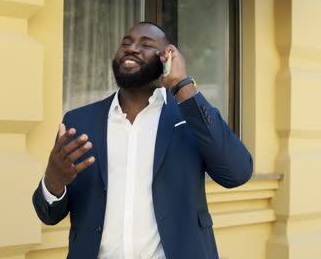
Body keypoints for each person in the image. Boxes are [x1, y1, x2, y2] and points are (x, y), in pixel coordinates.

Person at [32, 22, 253, 259]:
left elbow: (237, 173)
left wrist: (183, 87)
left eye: (146, 45)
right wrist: (53, 183)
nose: (132, 49)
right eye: (126, 43)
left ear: (166, 59)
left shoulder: (189, 116)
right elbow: (49, 215)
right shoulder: (79, 121)